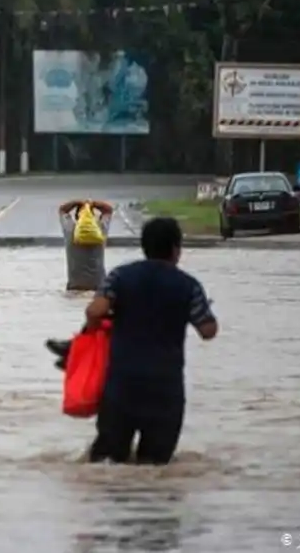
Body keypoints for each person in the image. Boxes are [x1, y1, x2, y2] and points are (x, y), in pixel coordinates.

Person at [81, 216, 219, 465]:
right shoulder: (189, 286)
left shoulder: (120, 276)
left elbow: (94, 311)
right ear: (176, 249)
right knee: (155, 469)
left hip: (121, 387)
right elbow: (208, 331)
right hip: (165, 392)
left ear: (144, 247)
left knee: (106, 464)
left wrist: (94, 334)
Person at [59, 199, 114, 291]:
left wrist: (78, 202)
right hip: (98, 287)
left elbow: (62, 210)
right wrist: (92, 204)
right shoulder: (100, 230)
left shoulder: (70, 231)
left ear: (77, 217)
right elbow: (108, 210)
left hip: (75, 286)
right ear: (92, 217)